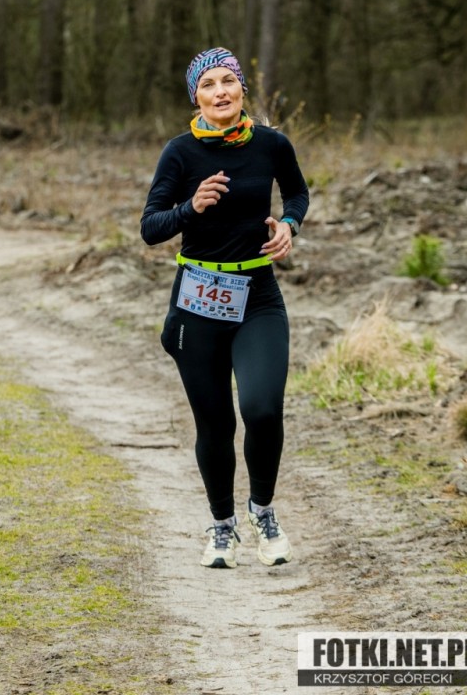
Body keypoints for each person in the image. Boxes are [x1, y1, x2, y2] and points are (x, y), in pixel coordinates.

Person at [140, 47, 309, 569]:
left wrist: (289, 225)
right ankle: (221, 527)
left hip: (258, 296)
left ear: (241, 88)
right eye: (208, 85)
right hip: (198, 300)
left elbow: (297, 194)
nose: (220, 92)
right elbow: (150, 228)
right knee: (214, 423)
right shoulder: (179, 153)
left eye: (228, 81)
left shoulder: (271, 144)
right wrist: (190, 207)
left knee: (262, 408)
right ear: (196, 97)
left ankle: (263, 512)